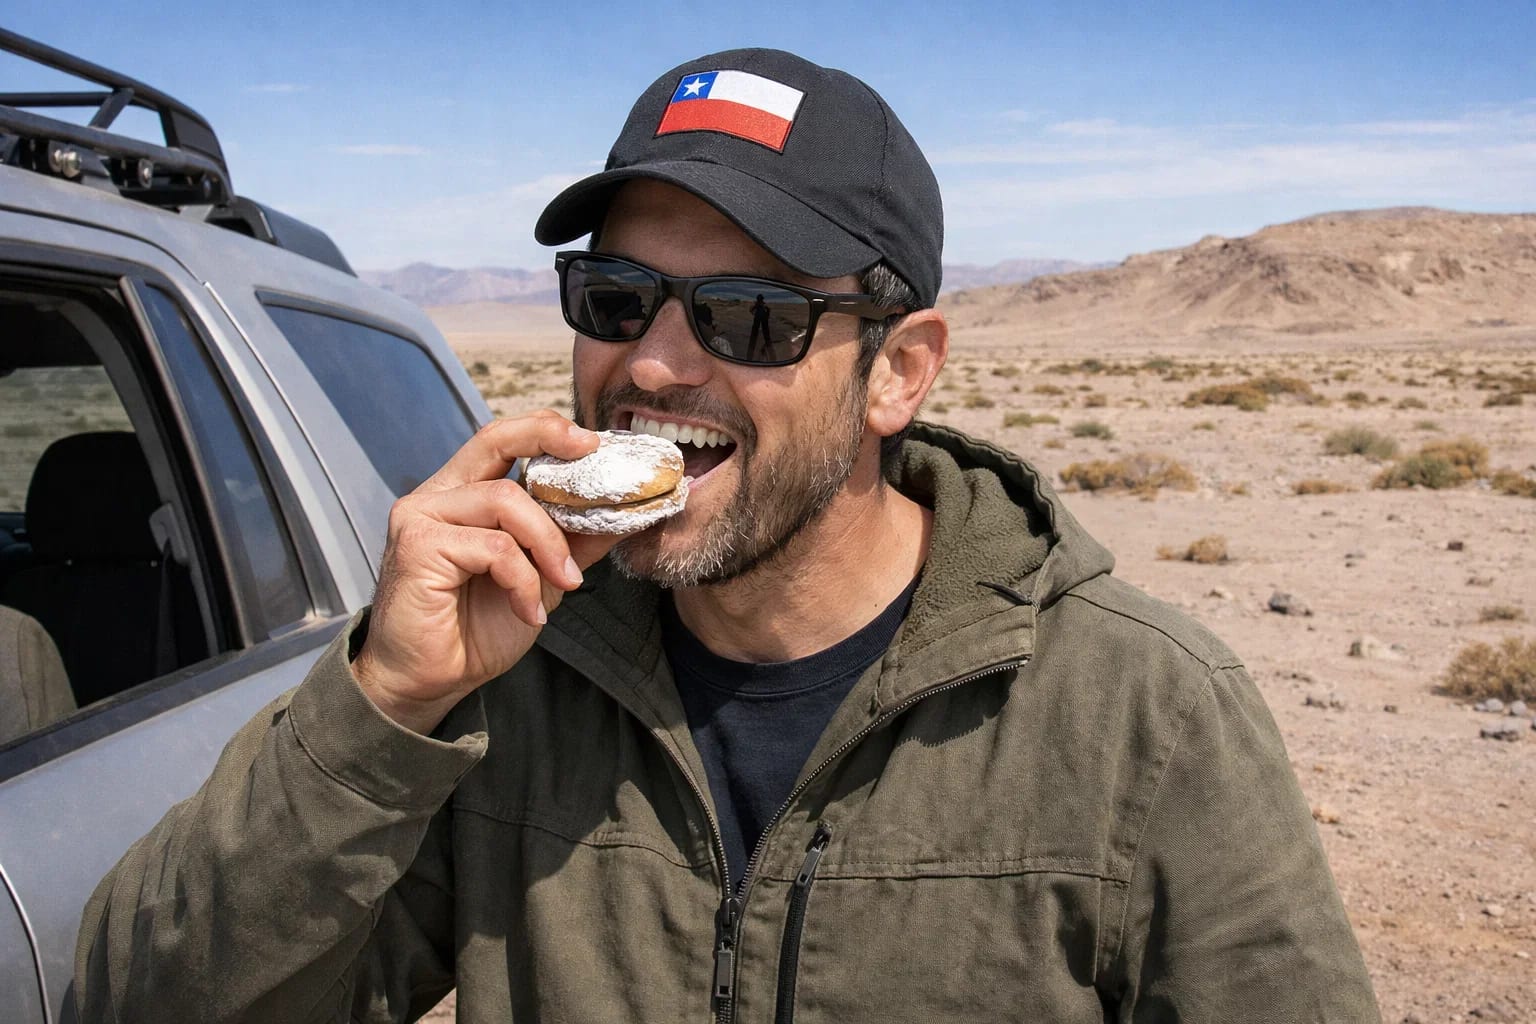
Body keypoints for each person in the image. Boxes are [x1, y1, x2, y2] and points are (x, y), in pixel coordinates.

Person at [75, 49, 1381, 1022]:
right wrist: (385, 706)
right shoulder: (512, 684)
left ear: (897, 373)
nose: (653, 362)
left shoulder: (1139, 712)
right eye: (617, 293)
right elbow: (143, 1003)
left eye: (750, 316)